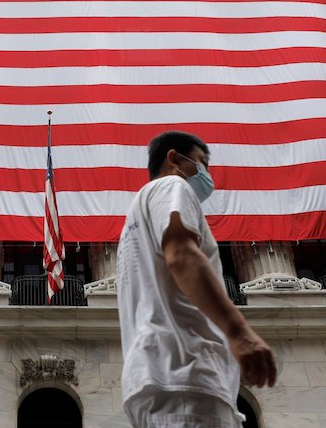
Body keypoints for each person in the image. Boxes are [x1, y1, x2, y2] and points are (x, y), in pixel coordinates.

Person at [117, 131, 276, 427]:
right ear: (175, 159)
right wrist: (239, 333)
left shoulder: (136, 216)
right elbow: (182, 256)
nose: (207, 174)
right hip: (185, 372)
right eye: (202, 162)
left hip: (157, 377)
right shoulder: (172, 185)